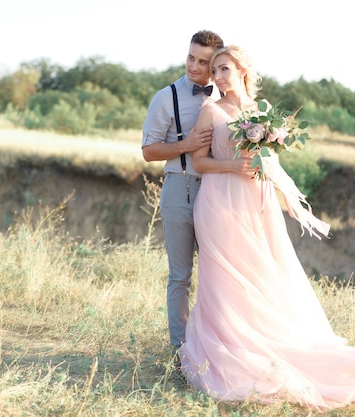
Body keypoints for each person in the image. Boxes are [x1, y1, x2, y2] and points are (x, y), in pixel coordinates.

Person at [179, 45, 355, 411]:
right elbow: (199, 162)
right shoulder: (209, 111)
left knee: (262, 273)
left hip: (257, 203)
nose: (217, 77)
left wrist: (269, 171)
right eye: (214, 71)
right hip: (219, 202)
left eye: (224, 68)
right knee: (226, 276)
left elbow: (270, 161)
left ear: (243, 69)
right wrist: (233, 167)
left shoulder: (262, 113)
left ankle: (268, 341)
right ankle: (230, 348)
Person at [141, 30, 224, 356]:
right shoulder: (166, 97)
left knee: (219, 272)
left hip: (219, 194)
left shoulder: (226, 95)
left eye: (203, 61)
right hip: (181, 187)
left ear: (216, 63)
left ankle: (215, 344)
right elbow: (148, 151)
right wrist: (185, 146)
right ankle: (180, 349)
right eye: (191, 57)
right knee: (180, 276)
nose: (193, 66)